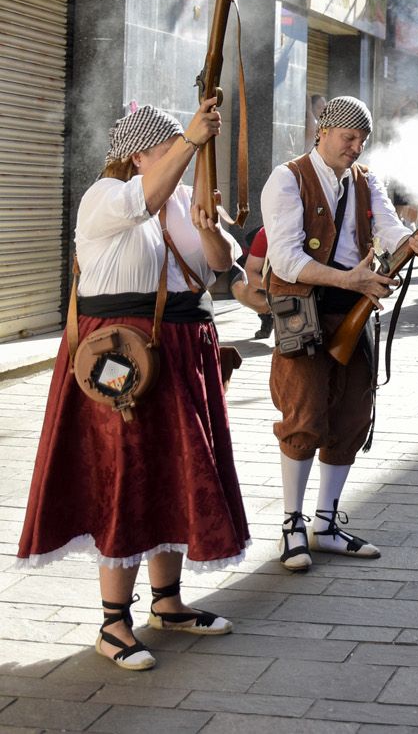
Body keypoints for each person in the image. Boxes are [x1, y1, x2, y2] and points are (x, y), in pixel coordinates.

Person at [16, 99, 249, 671]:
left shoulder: (174, 201)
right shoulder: (106, 197)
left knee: (173, 473)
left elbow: (217, 266)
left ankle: (166, 604)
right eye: (170, 148)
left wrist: (205, 224)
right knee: (121, 478)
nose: (181, 158)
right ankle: (112, 622)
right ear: (140, 154)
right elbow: (142, 201)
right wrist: (193, 142)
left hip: (175, 356)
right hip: (118, 358)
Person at [261, 97, 418, 572]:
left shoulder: (365, 179)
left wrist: (412, 241)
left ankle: (325, 523)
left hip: (354, 307)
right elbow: (285, 260)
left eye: (362, 140)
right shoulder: (288, 178)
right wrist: (350, 279)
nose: (356, 147)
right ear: (323, 132)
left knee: (353, 414)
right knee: (303, 415)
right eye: (348, 137)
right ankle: (292, 525)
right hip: (305, 309)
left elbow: (390, 227)